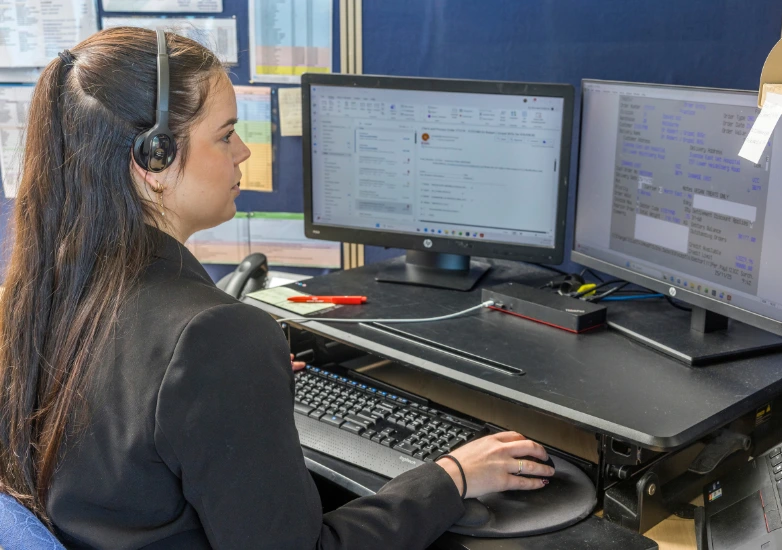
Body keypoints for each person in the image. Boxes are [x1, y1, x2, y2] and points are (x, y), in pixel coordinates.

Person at [0, 28, 554, 549]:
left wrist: (235, 392)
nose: (243, 152)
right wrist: (450, 478)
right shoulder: (212, 334)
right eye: (225, 135)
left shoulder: (44, 290)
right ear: (155, 159)